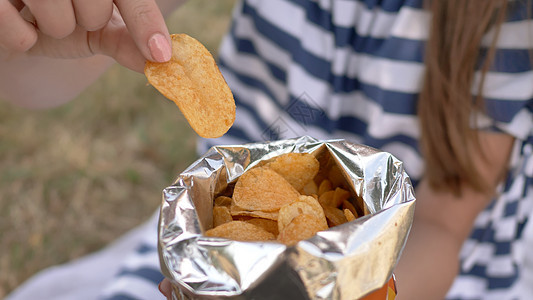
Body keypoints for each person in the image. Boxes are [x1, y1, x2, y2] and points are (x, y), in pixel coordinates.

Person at [2, 0, 532, 299]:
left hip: (415, 277)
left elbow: (443, 227)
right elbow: (35, 83)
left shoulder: (499, 17)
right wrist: (32, 33)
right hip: (226, 257)